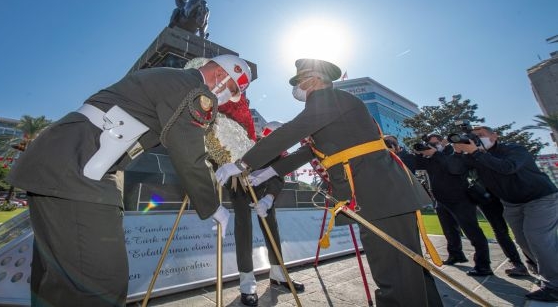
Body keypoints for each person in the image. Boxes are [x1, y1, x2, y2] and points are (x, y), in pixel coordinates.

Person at [6, 54, 253, 307]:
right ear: (222, 75)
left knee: (56, 281)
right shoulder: (193, 89)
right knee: (102, 286)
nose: (224, 99)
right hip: (81, 172)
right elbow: (189, 152)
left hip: (60, 163)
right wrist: (212, 205)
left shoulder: (168, 78)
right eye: (231, 90)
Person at [215, 59, 443, 307]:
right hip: (382, 194)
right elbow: (309, 152)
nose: (297, 88)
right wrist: (267, 172)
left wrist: (243, 164)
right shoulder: (331, 108)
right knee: (409, 272)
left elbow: (291, 131)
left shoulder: (328, 99)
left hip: (379, 194)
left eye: (300, 81)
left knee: (396, 274)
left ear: (315, 79)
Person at [450, 126, 558, 302]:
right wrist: (457, 152)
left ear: (494, 136)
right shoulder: (473, 157)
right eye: (473, 136)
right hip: (511, 203)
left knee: (537, 237)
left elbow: (508, 167)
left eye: (481, 135)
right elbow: (454, 170)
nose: (477, 138)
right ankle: (541, 269)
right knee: (522, 240)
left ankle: (555, 285)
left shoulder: (514, 149)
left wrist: (476, 153)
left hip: (540, 198)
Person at [215, 93, 304, 306]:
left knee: (271, 228)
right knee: (243, 228)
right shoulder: (250, 145)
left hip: (264, 191)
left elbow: (279, 174)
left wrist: (269, 199)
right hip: (240, 186)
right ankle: (247, 283)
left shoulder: (280, 153)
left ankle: (278, 275)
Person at [413, 134, 494, 276]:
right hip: (441, 200)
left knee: (472, 232)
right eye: (430, 144)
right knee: (449, 231)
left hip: (460, 200)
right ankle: (456, 254)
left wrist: (436, 153)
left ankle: (483, 264)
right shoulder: (431, 158)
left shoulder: (453, 152)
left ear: (442, 142)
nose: (433, 146)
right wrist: (420, 153)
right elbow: (416, 164)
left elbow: (453, 167)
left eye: (436, 143)